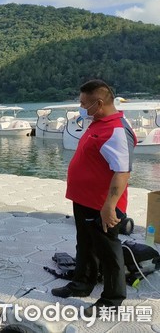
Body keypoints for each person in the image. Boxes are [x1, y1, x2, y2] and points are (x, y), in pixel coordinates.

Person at [51, 79, 136, 316]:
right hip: (84, 201)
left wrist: (109, 206)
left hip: (103, 206)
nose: (80, 106)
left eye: (82, 103)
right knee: (85, 245)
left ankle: (112, 300)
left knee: (109, 252)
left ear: (98, 103)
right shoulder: (97, 122)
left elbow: (123, 171)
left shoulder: (117, 130)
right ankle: (82, 283)